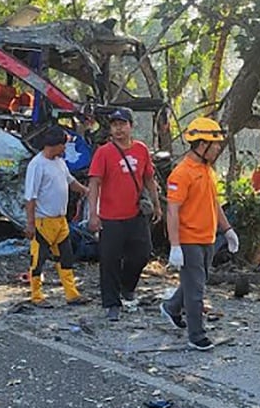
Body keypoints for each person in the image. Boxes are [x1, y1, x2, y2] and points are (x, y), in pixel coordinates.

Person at [160, 117, 239, 351]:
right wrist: (175, 246)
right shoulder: (181, 173)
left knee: (195, 281)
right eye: (214, 145)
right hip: (188, 240)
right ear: (201, 144)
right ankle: (196, 334)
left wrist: (227, 229)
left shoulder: (207, 170)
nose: (217, 149)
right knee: (196, 291)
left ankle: (171, 307)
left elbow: (213, 203)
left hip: (208, 238)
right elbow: (172, 211)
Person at [87, 107, 163, 321]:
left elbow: (149, 179)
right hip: (110, 216)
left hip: (136, 213)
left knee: (143, 253)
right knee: (109, 259)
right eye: (114, 125)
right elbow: (94, 183)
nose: (118, 129)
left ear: (131, 126)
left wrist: (157, 205)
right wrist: (94, 214)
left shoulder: (141, 150)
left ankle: (127, 286)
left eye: (122, 124)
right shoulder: (104, 152)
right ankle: (111, 303)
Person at [25, 126, 91, 307]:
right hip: (43, 222)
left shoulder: (59, 162)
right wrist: (30, 224)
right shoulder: (37, 165)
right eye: (64, 145)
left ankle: (72, 294)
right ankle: (36, 296)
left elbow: (70, 181)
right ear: (55, 145)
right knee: (38, 260)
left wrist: (85, 190)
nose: (65, 149)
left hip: (60, 221)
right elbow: (30, 197)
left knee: (66, 258)